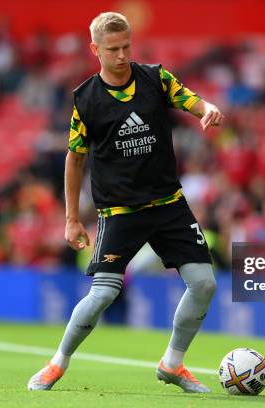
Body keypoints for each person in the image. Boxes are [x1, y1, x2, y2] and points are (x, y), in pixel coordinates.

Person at [27, 12, 223, 393]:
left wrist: (207, 109)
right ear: (95, 50)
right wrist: (71, 219)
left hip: (169, 204)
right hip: (120, 211)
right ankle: (57, 363)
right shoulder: (85, 100)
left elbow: (189, 98)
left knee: (204, 284)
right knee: (103, 293)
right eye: (112, 49)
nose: (121, 56)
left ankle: (173, 364)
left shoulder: (155, 78)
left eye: (126, 47)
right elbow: (75, 158)